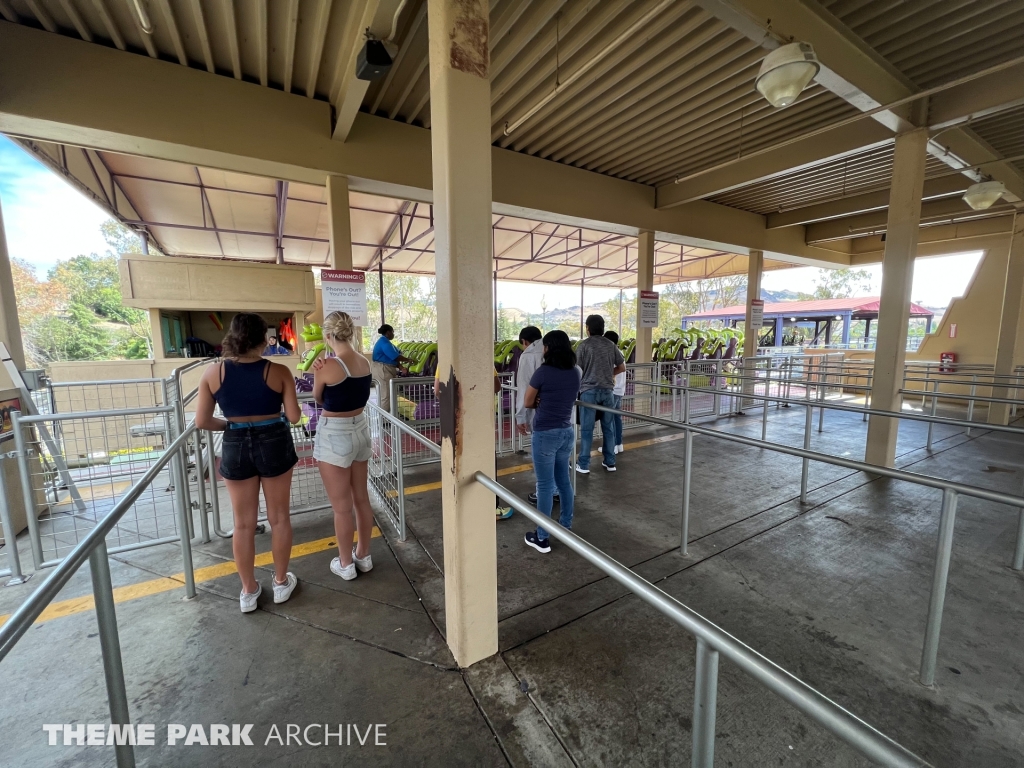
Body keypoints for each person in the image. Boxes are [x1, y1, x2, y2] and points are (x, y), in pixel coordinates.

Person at [195, 312, 301, 613]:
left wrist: (231, 426)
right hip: (274, 442)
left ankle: (248, 591)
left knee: (242, 524)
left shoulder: (213, 373)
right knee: (279, 518)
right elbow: (294, 417)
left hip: (235, 444)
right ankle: (281, 583)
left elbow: (202, 420)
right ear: (263, 339)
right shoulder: (278, 371)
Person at [312, 311, 376, 581]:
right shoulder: (365, 361)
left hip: (335, 434)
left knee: (341, 506)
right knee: (361, 498)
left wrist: (318, 370)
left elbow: (318, 399)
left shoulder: (328, 366)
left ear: (328, 336)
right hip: (360, 429)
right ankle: (364, 555)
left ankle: (346, 563)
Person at [522, 331, 580, 554]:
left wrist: (540, 399)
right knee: (563, 482)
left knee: (545, 485)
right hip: (567, 432)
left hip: (546, 433)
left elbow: (528, 402)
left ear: (547, 348)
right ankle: (565, 526)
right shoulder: (574, 372)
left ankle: (542, 537)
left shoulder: (543, 372)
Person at [435, 366, 514, 520]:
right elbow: (496, 386)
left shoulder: (444, 361)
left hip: (456, 425)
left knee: (460, 465)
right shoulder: (484, 359)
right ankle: (492, 509)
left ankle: (463, 509)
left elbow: (438, 390)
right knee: (486, 465)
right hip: (480, 421)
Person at [514, 326, 558, 506]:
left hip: (539, 413)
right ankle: (558, 490)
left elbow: (524, 388)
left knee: (542, 458)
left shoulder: (528, 356)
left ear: (525, 342)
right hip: (561, 415)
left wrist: (520, 417)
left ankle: (545, 493)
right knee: (558, 457)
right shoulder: (556, 351)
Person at [575, 314, 625, 473]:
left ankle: (584, 464)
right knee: (608, 428)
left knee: (587, 429)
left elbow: (577, 369)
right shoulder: (611, 345)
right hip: (608, 392)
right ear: (602, 328)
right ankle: (610, 462)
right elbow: (622, 367)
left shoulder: (584, 346)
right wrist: (609, 375)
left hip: (588, 392)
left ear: (588, 328)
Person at [371, 324, 414, 414]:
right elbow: (395, 357)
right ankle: (383, 421)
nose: (393, 334)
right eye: (392, 332)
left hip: (386, 368)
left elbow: (393, 357)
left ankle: (387, 417)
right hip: (382, 369)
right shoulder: (384, 343)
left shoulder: (386, 342)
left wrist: (401, 367)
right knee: (386, 396)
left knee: (387, 395)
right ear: (388, 332)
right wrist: (408, 360)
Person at [604, 330, 626, 455]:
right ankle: (619, 444)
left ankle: (611, 447)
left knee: (610, 419)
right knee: (616, 418)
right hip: (620, 390)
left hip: (613, 390)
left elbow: (618, 369)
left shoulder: (612, 353)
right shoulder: (619, 353)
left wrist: (608, 374)